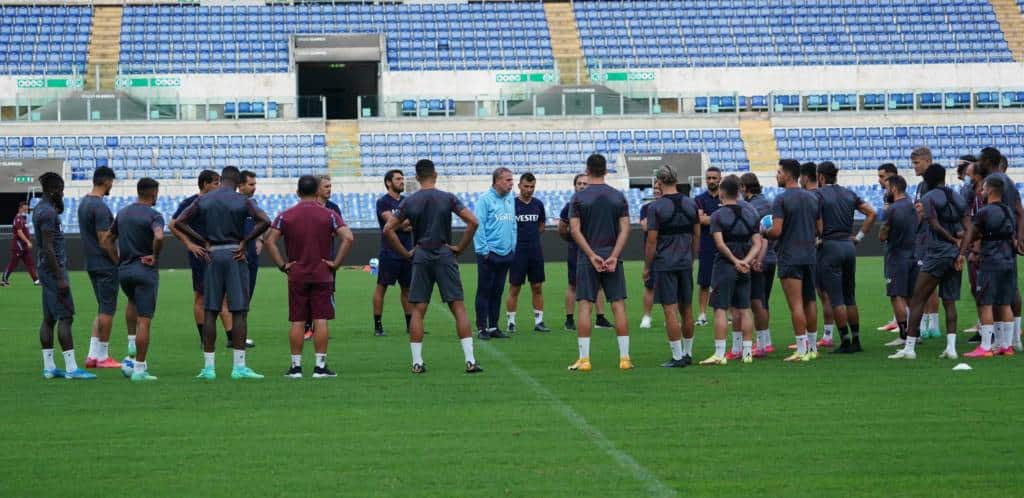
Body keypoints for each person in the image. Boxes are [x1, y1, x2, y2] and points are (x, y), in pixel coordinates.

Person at [382, 159, 482, 374]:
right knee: (458, 306)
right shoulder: (447, 198)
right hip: (444, 253)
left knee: (418, 309)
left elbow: (388, 229)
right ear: (435, 175)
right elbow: (473, 221)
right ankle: (470, 361)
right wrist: (460, 248)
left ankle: (417, 363)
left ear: (417, 178)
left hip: (422, 254)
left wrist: (405, 253)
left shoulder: (410, 201)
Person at [175, 166, 271, 379]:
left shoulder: (204, 200)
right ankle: (239, 367)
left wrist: (202, 240)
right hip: (235, 254)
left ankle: (209, 368)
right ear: (237, 182)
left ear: (222, 179)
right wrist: (245, 241)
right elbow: (266, 221)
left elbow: (179, 222)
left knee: (210, 309)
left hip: (212, 255)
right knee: (238, 310)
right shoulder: (243, 201)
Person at [265, 175, 354, 379]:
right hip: (322, 273)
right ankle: (320, 367)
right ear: (316, 193)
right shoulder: (329, 214)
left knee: (297, 321)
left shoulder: (285, 215)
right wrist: (336, 263)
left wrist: (282, 265)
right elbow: (348, 237)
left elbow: (269, 241)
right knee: (320, 320)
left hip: (297, 274)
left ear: (297, 192)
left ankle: (295, 368)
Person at [889, 164, 967, 360]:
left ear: (929, 179)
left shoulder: (929, 197)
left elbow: (933, 223)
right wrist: (960, 251)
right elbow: (967, 227)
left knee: (917, 299)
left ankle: (909, 348)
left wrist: (950, 240)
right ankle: (951, 348)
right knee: (949, 302)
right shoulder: (957, 196)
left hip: (936, 253)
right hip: (954, 255)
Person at [567, 154, 632, 372]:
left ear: (587, 170)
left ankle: (584, 360)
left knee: (585, 305)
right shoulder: (618, 196)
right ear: (606, 170)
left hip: (588, 258)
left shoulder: (578, 199)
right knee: (618, 306)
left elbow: (574, 230)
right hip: (612, 256)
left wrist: (591, 255)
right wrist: (614, 255)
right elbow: (626, 228)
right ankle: (625, 358)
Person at [168, 170, 243, 347]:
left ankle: (232, 337)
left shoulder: (214, 202)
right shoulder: (191, 202)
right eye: (216, 183)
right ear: (205, 184)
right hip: (201, 254)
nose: (219, 186)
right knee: (201, 297)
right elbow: (173, 224)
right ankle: (205, 338)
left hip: (217, 252)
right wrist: (189, 244)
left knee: (224, 296)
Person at [34, 172, 95, 379]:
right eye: (60, 190)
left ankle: (49, 367)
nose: (63, 193)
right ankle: (71, 369)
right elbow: (49, 248)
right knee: (66, 317)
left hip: (45, 268)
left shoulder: (41, 209)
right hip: (54, 269)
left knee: (49, 318)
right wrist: (60, 277)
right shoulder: (48, 214)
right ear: (53, 190)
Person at [104, 178, 164, 382]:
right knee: (145, 321)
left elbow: (107, 240)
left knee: (131, 301)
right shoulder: (154, 215)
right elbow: (160, 236)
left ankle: (131, 341)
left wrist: (118, 260)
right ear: (153, 193)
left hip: (125, 270)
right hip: (144, 270)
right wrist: (154, 255)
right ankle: (139, 369)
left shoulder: (123, 212)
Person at [763, 159, 821, 362]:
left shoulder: (781, 199)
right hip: (809, 255)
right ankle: (813, 347)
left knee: (795, 305)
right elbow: (819, 229)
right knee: (810, 301)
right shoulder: (813, 198)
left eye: (779, 172)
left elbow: (776, 231)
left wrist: (764, 232)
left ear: (787, 175)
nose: (777, 176)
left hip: (790, 255)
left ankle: (801, 349)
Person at [816, 161, 876, 353]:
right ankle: (857, 340)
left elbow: (817, 222)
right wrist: (858, 237)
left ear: (821, 177)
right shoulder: (849, 193)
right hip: (848, 246)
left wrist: (818, 237)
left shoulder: (818, 195)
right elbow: (872, 213)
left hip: (830, 246)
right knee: (850, 296)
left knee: (836, 298)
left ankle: (845, 341)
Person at [701, 175, 762, 365]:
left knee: (720, 308)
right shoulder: (751, 212)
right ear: (738, 191)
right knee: (744, 309)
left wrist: (735, 260)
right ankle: (747, 353)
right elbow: (758, 243)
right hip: (745, 267)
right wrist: (745, 261)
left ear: (721, 192)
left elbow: (719, 244)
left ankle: (719, 354)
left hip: (724, 266)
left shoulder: (718, 215)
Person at [643, 166, 698, 367]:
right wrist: (692, 258)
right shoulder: (691, 203)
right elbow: (697, 235)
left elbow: (651, 242)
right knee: (687, 308)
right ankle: (688, 353)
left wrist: (647, 266)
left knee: (669, 310)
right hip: (685, 262)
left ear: (659, 182)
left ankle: (676, 357)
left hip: (665, 263)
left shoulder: (656, 207)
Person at [960, 176, 1016, 357]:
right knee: (1005, 303)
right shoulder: (1008, 210)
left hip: (990, 261)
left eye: (983, 189)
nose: (980, 192)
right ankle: (1006, 346)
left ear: (990, 191)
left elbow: (972, 233)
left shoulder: (984, 212)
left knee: (985, 303)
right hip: (1008, 261)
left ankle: (985, 347)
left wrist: (963, 250)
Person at [79, 166, 125, 369]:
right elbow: (104, 240)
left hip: (91, 263)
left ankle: (92, 355)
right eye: (111, 182)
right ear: (106, 182)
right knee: (107, 309)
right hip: (105, 264)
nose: (111, 186)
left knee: (101, 309)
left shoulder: (83, 203)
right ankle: (103, 356)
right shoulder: (99, 207)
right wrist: (117, 261)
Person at [558, 174, 610, 331]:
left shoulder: (599, 205)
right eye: (579, 183)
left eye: (585, 183)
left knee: (599, 284)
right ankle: (569, 319)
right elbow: (562, 227)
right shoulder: (570, 206)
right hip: (577, 250)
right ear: (574, 186)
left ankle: (600, 318)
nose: (582, 186)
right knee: (573, 284)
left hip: (597, 248)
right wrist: (572, 240)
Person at [474, 167, 517, 340]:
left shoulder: (510, 199)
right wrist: (484, 251)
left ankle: (493, 326)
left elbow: (513, 224)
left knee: (498, 291)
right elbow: (479, 226)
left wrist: (513, 246)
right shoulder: (484, 200)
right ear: (497, 181)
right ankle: (481, 328)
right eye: (508, 180)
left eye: (511, 180)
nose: (511, 183)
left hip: (506, 253)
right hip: (489, 253)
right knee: (484, 290)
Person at [506, 172, 550, 333]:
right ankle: (511, 322)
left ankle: (539, 321)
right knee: (515, 287)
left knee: (537, 286)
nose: (529, 189)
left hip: (535, 250)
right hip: (517, 251)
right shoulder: (511, 204)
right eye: (526, 186)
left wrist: (534, 236)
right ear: (519, 186)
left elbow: (542, 224)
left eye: (532, 187)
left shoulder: (538, 204)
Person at [373, 169, 414, 337]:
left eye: (402, 178)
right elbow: (392, 222)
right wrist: (403, 224)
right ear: (388, 182)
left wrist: (401, 224)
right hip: (389, 252)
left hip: (407, 250)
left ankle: (410, 325)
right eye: (398, 179)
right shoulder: (383, 202)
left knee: (407, 289)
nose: (402, 181)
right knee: (382, 287)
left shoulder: (408, 201)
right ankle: (378, 326)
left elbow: (412, 223)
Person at [879, 176, 918, 348]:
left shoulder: (892, 209)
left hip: (896, 256)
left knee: (896, 295)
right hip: (913, 254)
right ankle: (915, 334)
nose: (886, 191)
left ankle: (903, 335)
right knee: (911, 297)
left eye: (887, 187)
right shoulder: (913, 205)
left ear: (894, 189)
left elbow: (882, 235)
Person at [740, 173, 776, 357]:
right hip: (771, 258)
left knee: (757, 302)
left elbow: (757, 236)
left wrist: (755, 258)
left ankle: (762, 344)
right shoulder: (769, 202)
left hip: (758, 258)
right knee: (764, 301)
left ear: (745, 188)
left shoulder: (750, 207)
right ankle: (766, 341)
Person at [910, 147, 942, 339]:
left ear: (927, 162)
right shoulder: (922, 185)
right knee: (927, 284)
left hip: (928, 240)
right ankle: (930, 323)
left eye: (916, 163)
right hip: (924, 239)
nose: (914, 167)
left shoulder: (930, 187)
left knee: (926, 283)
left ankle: (931, 323)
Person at [307, 175, 344, 341]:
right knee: (307, 291)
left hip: (327, 257)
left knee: (327, 292)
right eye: (326, 186)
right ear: (317, 189)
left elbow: (340, 230)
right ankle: (308, 327)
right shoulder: (308, 206)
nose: (329, 189)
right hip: (308, 256)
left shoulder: (334, 208)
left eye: (330, 186)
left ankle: (319, 328)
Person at [694, 167, 722, 326]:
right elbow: (700, 220)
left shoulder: (725, 197)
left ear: (720, 179)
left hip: (724, 245)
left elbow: (706, 219)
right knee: (704, 282)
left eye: (714, 178)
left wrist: (708, 218)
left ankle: (728, 313)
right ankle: (703, 314)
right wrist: (721, 217)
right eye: (709, 178)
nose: (711, 181)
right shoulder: (699, 199)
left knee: (725, 280)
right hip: (706, 245)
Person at [875, 162, 901, 332]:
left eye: (882, 176)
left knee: (901, 287)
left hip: (900, 246)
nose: (879, 180)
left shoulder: (899, 195)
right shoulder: (887, 195)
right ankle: (896, 319)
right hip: (891, 245)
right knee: (892, 285)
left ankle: (904, 323)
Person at [638, 185, 663, 329]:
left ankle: (670, 317)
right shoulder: (645, 208)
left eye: (659, 189)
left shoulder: (669, 207)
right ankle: (647, 316)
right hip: (652, 253)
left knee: (671, 286)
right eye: (655, 190)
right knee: (649, 285)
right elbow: (645, 226)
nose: (656, 191)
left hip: (668, 252)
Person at [1, 201, 38, 287]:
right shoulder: (18, 218)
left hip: (24, 247)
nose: (27, 209)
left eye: (27, 208)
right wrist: (28, 241)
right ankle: (4, 279)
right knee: (13, 264)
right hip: (18, 246)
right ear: (21, 208)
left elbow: (32, 210)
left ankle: (36, 280)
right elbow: (19, 232)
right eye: (25, 208)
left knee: (30, 263)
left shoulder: (23, 218)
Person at [238, 170, 262, 302]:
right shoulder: (232, 204)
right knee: (235, 301)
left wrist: (260, 239)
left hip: (251, 255)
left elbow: (262, 223)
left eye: (254, 184)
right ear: (240, 185)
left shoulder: (253, 203)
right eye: (251, 184)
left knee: (247, 299)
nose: (254, 188)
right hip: (238, 255)